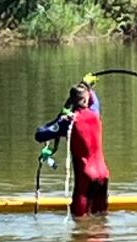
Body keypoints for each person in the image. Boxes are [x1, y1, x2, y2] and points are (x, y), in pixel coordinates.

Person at [35, 75, 110, 218]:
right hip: (104, 174)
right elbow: (96, 101)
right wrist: (87, 86)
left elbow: (40, 135)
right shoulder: (95, 114)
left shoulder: (69, 121)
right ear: (86, 99)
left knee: (80, 220)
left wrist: (58, 119)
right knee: (101, 220)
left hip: (86, 177)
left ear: (71, 101)